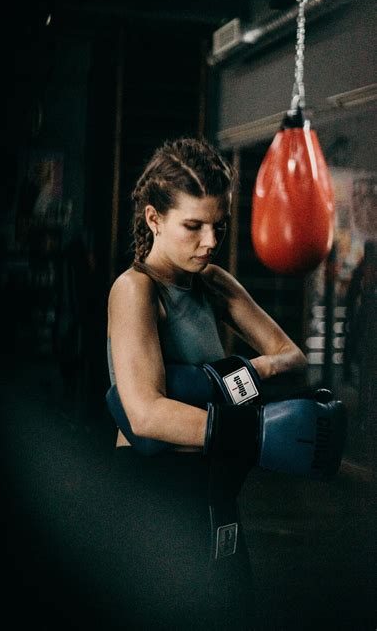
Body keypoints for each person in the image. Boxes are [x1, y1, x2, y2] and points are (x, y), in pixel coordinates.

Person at [106, 137, 307, 630]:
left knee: (231, 609)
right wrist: (254, 433)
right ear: (154, 219)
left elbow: (292, 358)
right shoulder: (135, 289)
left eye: (218, 225)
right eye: (193, 226)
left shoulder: (213, 282)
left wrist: (224, 377)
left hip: (215, 481)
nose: (210, 241)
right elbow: (145, 414)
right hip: (156, 490)